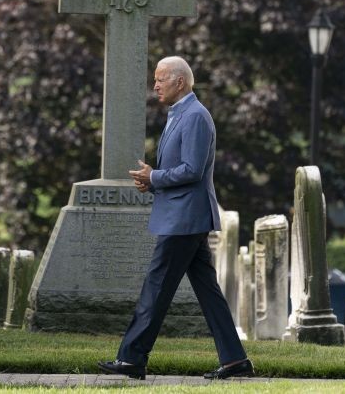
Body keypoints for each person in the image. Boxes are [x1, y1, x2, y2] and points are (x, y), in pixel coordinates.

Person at [97, 56, 254, 380]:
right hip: (185, 216)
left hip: (184, 220)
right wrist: (151, 182)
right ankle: (236, 361)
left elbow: (193, 170)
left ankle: (132, 358)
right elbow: (181, 172)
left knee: (156, 287)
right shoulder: (180, 114)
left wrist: (155, 177)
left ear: (179, 81)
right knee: (208, 293)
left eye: (161, 78)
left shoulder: (195, 116)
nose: (155, 85)